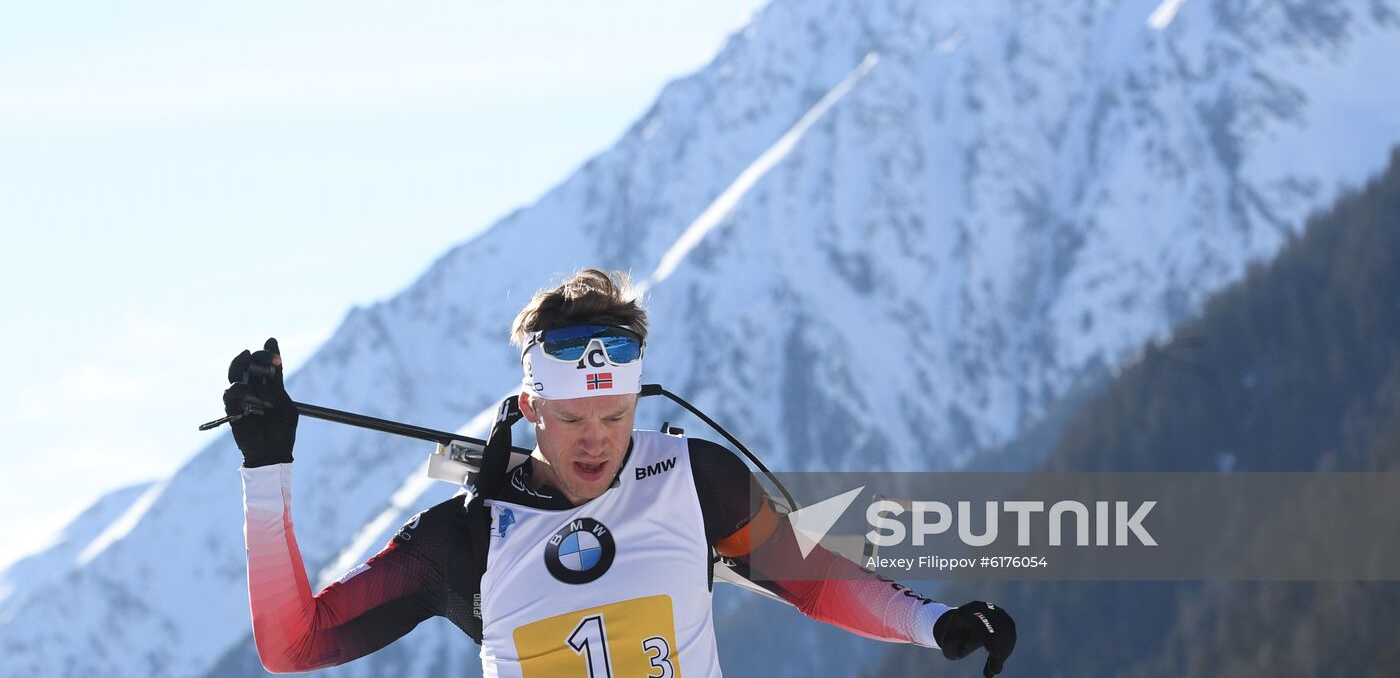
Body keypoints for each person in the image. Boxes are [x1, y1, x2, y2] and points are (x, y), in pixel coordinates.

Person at [226, 268, 1016, 677]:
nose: (598, 440)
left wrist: (931, 622)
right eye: (572, 419)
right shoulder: (465, 539)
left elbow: (812, 580)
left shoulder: (695, 483)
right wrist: (268, 470)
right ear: (531, 410)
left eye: (616, 416)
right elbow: (294, 647)